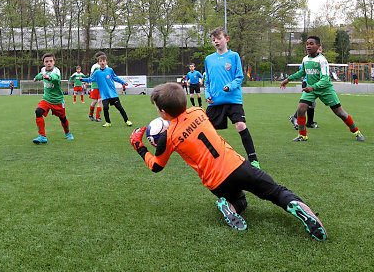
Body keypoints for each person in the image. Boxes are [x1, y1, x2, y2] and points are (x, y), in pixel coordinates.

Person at [129, 82, 327, 241]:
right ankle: (304, 211)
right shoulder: (199, 111)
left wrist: (140, 146)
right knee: (277, 192)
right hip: (238, 166)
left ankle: (230, 206)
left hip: (216, 182)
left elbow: (156, 166)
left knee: (240, 200)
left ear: (163, 111)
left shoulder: (169, 136)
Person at [280, 36, 365, 142]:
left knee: (340, 113)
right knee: (301, 109)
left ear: (318, 46)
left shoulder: (322, 60)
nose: (308, 46)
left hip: (325, 89)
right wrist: (288, 79)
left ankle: (356, 132)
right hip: (311, 88)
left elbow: (325, 79)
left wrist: (313, 87)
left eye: (311, 44)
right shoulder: (305, 59)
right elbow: (302, 72)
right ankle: (302, 135)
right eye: (307, 44)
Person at [204, 27, 260, 168]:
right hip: (215, 101)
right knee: (206, 129)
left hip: (233, 99)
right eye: (213, 40)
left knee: (241, 125)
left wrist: (230, 86)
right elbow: (208, 81)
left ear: (226, 39)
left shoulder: (234, 56)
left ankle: (253, 159)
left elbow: (239, 77)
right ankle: (212, 158)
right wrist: (207, 95)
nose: (216, 41)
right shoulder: (208, 59)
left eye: (219, 38)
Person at [32, 53, 74, 144]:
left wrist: (49, 77)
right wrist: (36, 78)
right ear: (44, 63)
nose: (49, 63)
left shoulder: (56, 71)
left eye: (51, 61)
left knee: (62, 118)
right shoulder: (43, 70)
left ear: (54, 62)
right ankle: (42, 136)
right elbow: (41, 75)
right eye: (46, 61)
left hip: (57, 100)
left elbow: (55, 78)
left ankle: (67, 132)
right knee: (38, 111)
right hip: (46, 99)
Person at [82, 54, 133, 127]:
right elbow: (90, 79)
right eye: (100, 61)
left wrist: (123, 82)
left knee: (119, 107)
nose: (102, 63)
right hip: (104, 95)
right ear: (98, 63)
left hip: (112, 93)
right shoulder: (97, 73)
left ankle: (127, 121)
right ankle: (108, 122)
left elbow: (115, 78)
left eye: (104, 61)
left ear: (106, 62)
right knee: (105, 108)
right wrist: (82, 79)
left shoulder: (110, 70)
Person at [87, 51, 105, 122]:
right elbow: (91, 76)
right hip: (95, 85)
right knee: (94, 101)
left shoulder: (106, 66)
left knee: (100, 100)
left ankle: (98, 117)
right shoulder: (95, 66)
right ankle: (91, 115)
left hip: (102, 86)